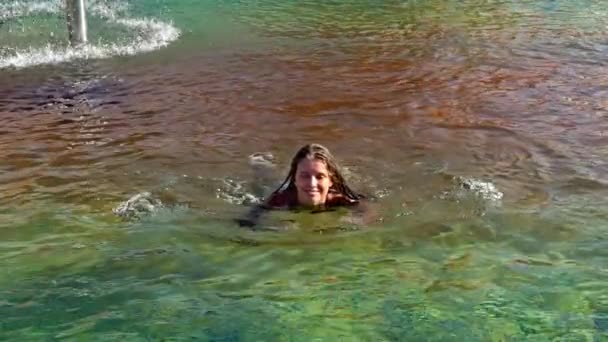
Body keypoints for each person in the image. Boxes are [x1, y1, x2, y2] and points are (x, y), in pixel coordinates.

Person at [237, 143, 367, 228]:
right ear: (295, 179)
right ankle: (261, 166)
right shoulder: (281, 199)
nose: (312, 184)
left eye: (320, 176)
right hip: (279, 188)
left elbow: (366, 211)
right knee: (264, 184)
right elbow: (250, 218)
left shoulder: (340, 199)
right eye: (305, 176)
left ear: (331, 180)